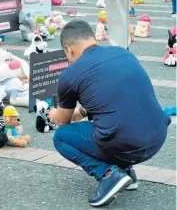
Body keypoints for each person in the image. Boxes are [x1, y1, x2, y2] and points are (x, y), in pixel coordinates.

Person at [48, 20, 171, 207]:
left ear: (69, 49)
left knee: (61, 137)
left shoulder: (70, 74)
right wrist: (82, 111)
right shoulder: (122, 53)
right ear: (93, 38)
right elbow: (119, 96)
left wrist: (54, 114)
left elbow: (63, 121)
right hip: (157, 137)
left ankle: (108, 174)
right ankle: (127, 172)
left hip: (125, 144)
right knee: (112, 119)